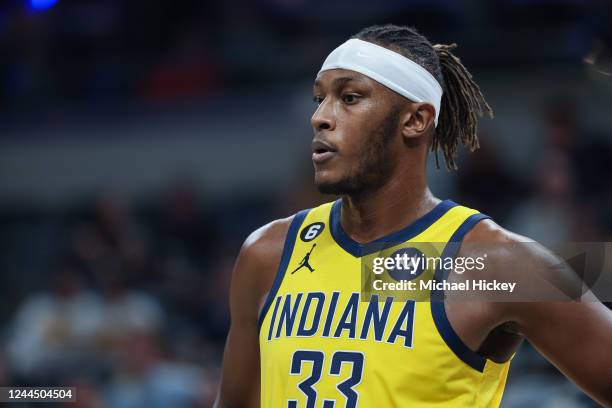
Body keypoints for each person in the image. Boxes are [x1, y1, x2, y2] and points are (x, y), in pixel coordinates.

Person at [214, 24, 612, 407]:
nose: (320, 117)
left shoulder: (498, 264)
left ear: (416, 120)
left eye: (349, 97)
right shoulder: (267, 253)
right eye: (320, 99)